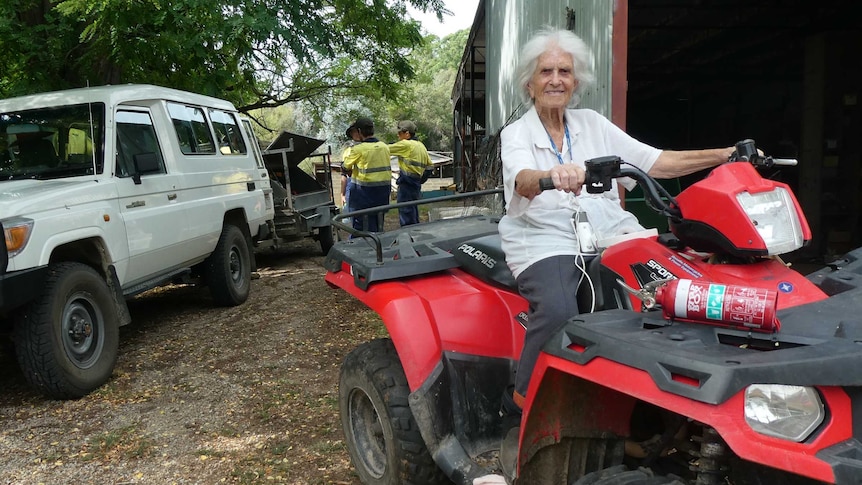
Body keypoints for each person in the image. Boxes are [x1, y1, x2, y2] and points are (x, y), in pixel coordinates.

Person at [493, 28, 735, 479]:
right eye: (546, 71)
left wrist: (723, 155)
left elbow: (656, 162)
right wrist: (550, 175)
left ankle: (659, 404)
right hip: (543, 235)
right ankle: (520, 405)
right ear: (530, 82)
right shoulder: (516, 133)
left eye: (564, 71)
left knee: (677, 289)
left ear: (576, 80)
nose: (556, 79)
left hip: (608, 230)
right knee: (561, 309)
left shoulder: (592, 124)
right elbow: (522, 181)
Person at [342, 116, 391, 232]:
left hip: (363, 197)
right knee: (379, 227)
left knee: (362, 231)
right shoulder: (384, 147)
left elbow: (345, 167)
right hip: (382, 195)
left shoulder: (358, 149)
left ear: (359, 131)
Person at [388, 120, 433, 226]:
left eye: (400, 133)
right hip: (416, 184)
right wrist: (421, 180)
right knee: (413, 211)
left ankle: (408, 238)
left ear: (407, 133)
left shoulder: (406, 145)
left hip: (406, 184)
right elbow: (430, 166)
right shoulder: (421, 146)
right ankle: (415, 235)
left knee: (406, 212)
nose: (398, 136)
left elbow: (383, 149)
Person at [340, 125, 363, 211]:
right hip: (352, 183)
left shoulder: (370, 148)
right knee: (349, 213)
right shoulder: (348, 150)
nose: (356, 134)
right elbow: (344, 174)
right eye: (353, 132)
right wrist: (342, 194)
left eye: (357, 131)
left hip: (367, 183)